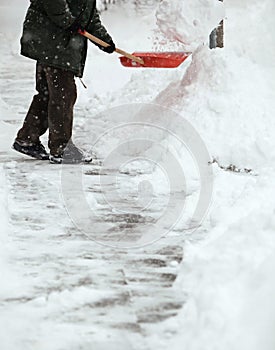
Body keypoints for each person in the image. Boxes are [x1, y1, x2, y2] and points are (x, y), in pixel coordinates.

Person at [13, 0, 116, 164]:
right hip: (53, 42)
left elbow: (89, 17)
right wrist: (69, 22)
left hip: (55, 43)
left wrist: (104, 41)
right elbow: (55, 5)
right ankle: (61, 148)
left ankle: (27, 138)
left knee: (47, 94)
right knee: (63, 95)